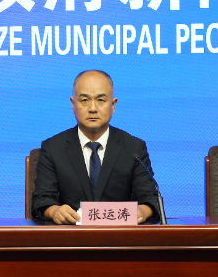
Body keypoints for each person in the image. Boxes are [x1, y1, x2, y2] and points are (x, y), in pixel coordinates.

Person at [30, 70, 159, 224]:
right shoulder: (53, 148)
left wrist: (142, 211)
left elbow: (150, 198)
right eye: (85, 100)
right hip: (70, 234)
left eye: (100, 100)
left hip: (119, 235)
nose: (92, 108)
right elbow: (41, 200)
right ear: (73, 104)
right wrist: (54, 211)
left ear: (113, 105)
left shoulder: (134, 148)